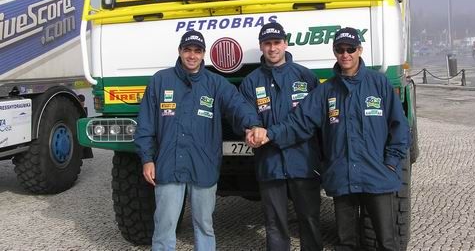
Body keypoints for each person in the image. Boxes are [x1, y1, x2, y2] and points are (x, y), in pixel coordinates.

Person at [247, 27, 410, 251]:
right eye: (340, 49)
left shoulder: (379, 84)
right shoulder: (326, 91)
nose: (345, 54)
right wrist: (270, 134)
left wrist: (391, 163)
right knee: (346, 244)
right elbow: (299, 123)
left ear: (359, 50)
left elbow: (399, 127)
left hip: (377, 175)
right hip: (343, 177)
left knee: (387, 242)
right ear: (335, 52)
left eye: (350, 49)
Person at [134, 30, 261, 251]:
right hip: (168, 166)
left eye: (197, 51)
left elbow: (237, 105)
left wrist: (253, 124)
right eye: (187, 50)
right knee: (164, 226)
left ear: (203, 54)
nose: (192, 56)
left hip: (204, 166)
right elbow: (145, 125)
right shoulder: (160, 81)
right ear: (180, 51)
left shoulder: (216, 84)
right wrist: (147, 159)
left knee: (204, 225)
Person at [239, 22, 323, 251]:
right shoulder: (251, 82)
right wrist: (251, 129)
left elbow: (311, 121)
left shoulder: (305, 77)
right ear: (261, 46)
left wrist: (271, 134)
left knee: (310, 219)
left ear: (285, 44)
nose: (273, 48)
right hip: (270, 164)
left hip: (303, 162)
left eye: (277, 43)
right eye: (267, 44)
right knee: (274, 224)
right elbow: (246, 114)